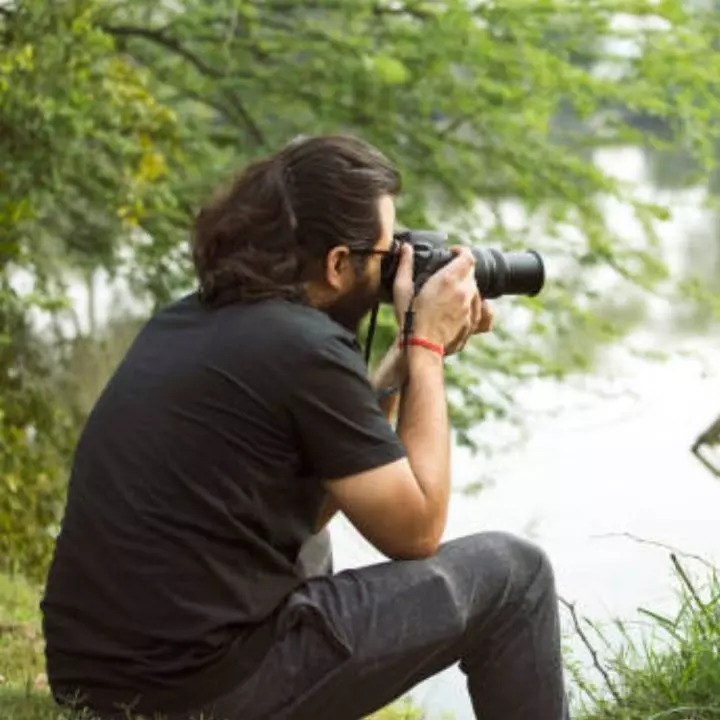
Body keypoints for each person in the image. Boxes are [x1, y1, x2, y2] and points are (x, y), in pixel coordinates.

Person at [40, 134, 569, 720]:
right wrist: (426, 346)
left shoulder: (192, 317)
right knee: (517, 575)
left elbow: (314, 490)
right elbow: (415, 530)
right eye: (386, 252)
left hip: (96, 679)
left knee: (311, 535)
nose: (397, 264)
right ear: (339, 263)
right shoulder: (306, 348)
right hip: (196, 694)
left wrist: (394, 372)